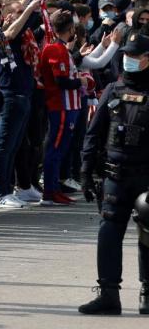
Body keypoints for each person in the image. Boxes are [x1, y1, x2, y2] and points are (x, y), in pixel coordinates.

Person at [78, 28, 149, 315]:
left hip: (146, 177)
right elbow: (93, 135)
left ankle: (148, 293)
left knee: (148, 233)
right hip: (115, 175)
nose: (129, 60)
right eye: (127, 55)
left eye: (135, 56)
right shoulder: (113, 90)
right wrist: (85, 171)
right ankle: (108, 293)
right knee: (108, 232)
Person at [38, 10, 86, 206]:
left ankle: (54, 188)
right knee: (55, 148)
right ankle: (49, 191)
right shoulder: (55, 49)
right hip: (61, 105)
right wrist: (80, 81)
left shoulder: (62, 48)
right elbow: (61, 81)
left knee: (62, 148)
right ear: (70, 29)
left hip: (68, 106)